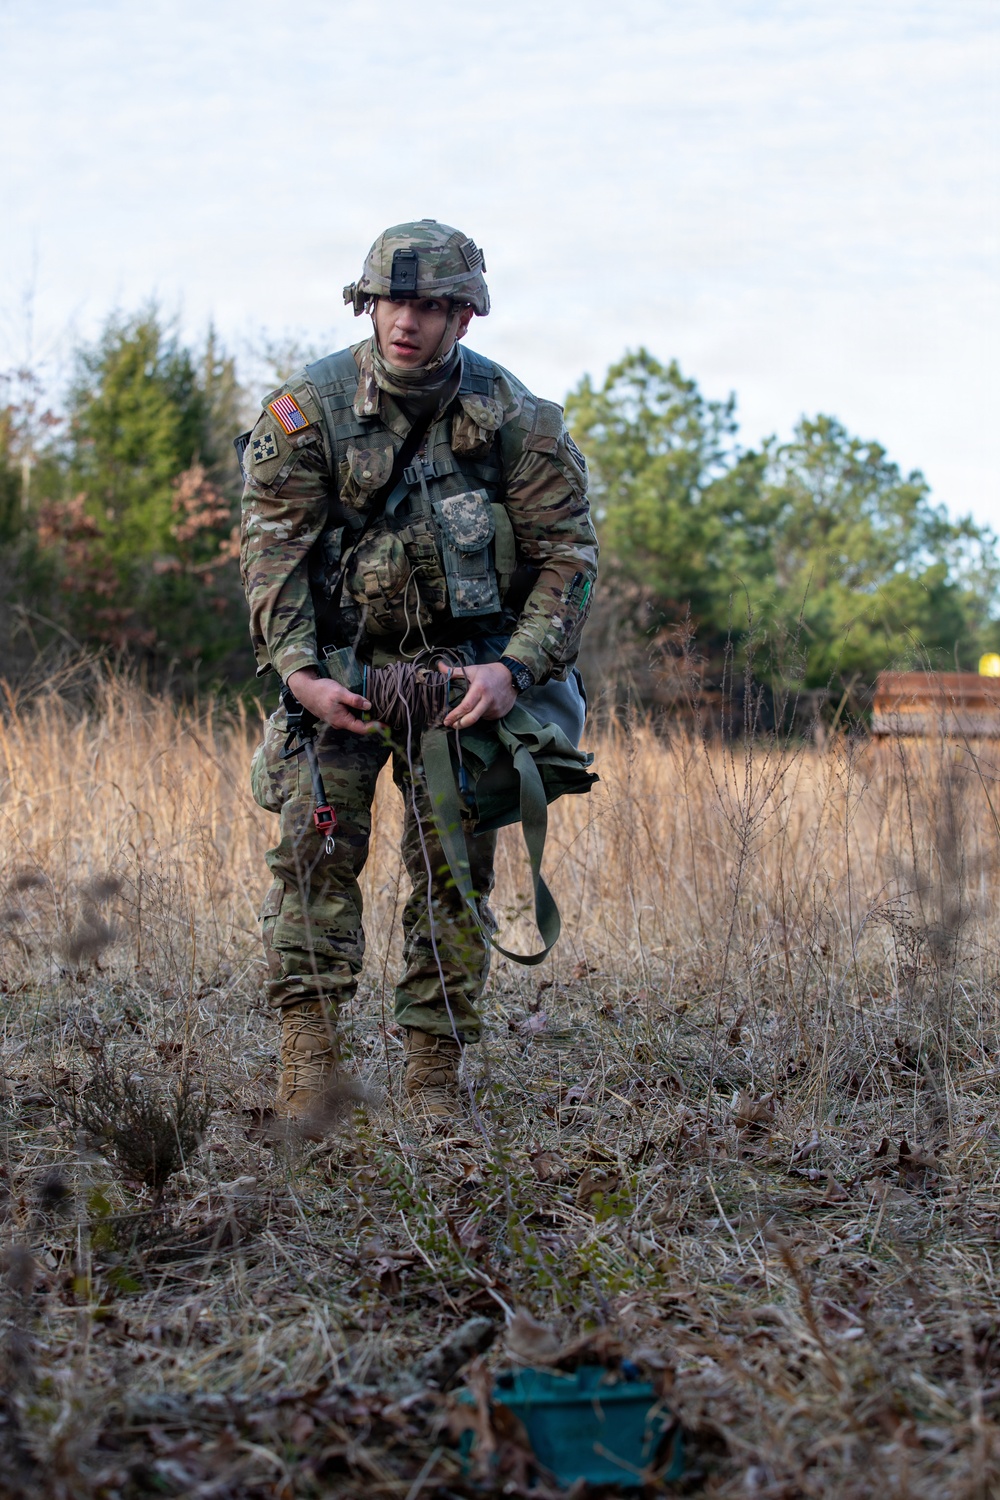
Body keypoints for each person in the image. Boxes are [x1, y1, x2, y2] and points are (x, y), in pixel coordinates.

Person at [240, 219, 597, 1126]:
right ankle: (309, 1066)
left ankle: (434, 1078)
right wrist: (298, 674)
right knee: (314, 858)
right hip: (340, 672)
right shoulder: (307, 413)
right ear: (369, 304)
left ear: (465, 318)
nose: (409, 322)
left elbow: (569, 558)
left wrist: (515, 671)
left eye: (434, 306)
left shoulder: (517, 418)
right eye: (394, 300)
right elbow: (271, 558)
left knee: (453, 872)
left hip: (466, 681)